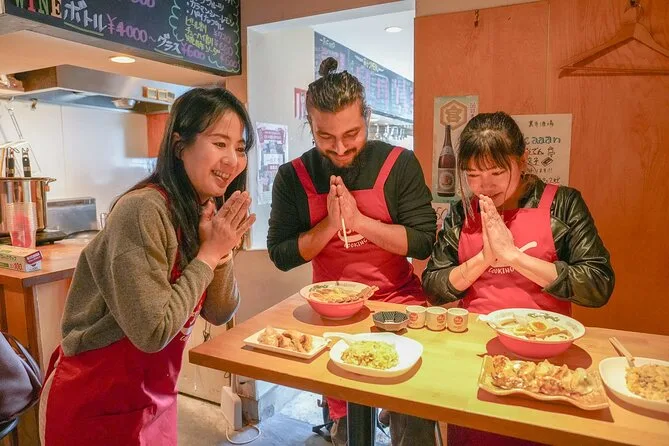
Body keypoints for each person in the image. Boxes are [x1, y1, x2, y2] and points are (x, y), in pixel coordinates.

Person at [39, 87, 256, 446]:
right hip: (94, 401)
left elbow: (220, 312)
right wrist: (208, 254)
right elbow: (153, 332)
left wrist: (221, 252)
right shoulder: (142, 211)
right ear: (179, 146)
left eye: (241, 147)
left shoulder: (200, 212)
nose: (232, 159)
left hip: (154, 400)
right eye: (220, 143)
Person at [267, 57, 437, 446]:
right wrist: (330, 224)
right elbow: (282, 254)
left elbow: (423, 240)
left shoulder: (398, 164)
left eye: (352, 133)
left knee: (413, 419)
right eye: (325, 137)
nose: (341, 147)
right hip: (332, 315)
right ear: (310, 126)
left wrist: (359, 222)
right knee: (348, 429)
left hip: (398, 307)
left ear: (367, 118)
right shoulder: (292, 177)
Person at [422, 111, 615, 445]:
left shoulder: (563, 204)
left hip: (547, 355)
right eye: (473, 175)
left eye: (497, 172)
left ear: (522, 161)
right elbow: (434, 288)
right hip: (476, 352)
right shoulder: (462, 212)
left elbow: (598, 284)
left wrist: (514, 256)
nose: (484, 186)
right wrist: (484, 259)